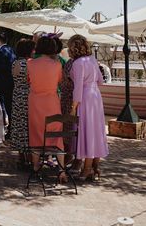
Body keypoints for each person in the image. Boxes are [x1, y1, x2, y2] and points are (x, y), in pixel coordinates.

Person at [68, 34, 109, 181]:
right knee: (96, 131)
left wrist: (74, 106)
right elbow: (100, 81)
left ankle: (86, 169)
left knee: (87, 132)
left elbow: (78, 87)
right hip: (96, 97)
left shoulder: (77, 63)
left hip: (84, 98)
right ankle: (96, 167)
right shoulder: (92, 59)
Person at [27, 35, 66, 182]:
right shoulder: (57, 64)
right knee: (57, 135)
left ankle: (36, 167)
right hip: (52, 102)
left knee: (36, 134)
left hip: (35, 102)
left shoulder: (30, 63)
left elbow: (28, 80)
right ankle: (62, 170)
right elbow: (59, 82)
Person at [9, 38, 34, 163]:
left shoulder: (15, 63)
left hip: (17, 95)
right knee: (27, 125)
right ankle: (29, 155)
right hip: (27, 96)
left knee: (19, 124)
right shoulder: (29, 63)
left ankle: (20, 155)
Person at [0, 31, 16, 128]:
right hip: (12, 81)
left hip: (2, 81)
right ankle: (12, 125)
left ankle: (5, 127)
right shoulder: (12, 49)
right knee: (11, 105)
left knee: (4, 105)